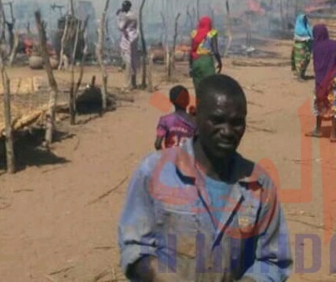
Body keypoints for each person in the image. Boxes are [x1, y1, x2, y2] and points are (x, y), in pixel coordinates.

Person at [119, 74, 292, 281]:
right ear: (195, 116)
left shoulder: (258, 185)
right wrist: (162, 276)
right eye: (217, 120)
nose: (227, 131)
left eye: (237, 122)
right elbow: (134, 246)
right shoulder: (154, 171)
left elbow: (273, 260)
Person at [307, 24, 336, 142]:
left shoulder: (316, 47)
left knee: (320, 101)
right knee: (334, 104)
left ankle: (318, 129)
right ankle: (333, 134)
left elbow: (317, 66)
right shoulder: (334, 44)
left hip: (321, 80)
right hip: (335, 79)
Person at [154, 85, 196, 150]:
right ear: (188, 100)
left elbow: (157, 144)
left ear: (171, 101)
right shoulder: (194, 120)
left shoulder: (165, 120)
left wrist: (165, 155)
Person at [189, 16, 222, 89]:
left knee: (198, 86)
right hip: (207, 61)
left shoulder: (194, 33)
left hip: (195, 61)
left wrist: (190, 67)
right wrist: (220, 63)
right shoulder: (212, 33)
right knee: (210, 85)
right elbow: (215, 51)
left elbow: (191, 51)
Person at [117, 0, 140, 89]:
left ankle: (127, 84)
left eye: (124, 6)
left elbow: (120, 27)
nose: (123, 8)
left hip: (127, 39)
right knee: (133, 60)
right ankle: (133, 83)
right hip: (134, 38)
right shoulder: (134, 15)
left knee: (128, 60)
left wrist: (118, 16)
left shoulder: (127, 17)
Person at [290, 13, 313, 80]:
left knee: (306, 60)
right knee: (300, 61)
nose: (305, 20)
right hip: (299, 48)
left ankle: (302, 74)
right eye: (303, 19)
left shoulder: (307, 27)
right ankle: (299, 75)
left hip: (306, 48)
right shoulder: (298, 29)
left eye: (305, 19)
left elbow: (312, 36)